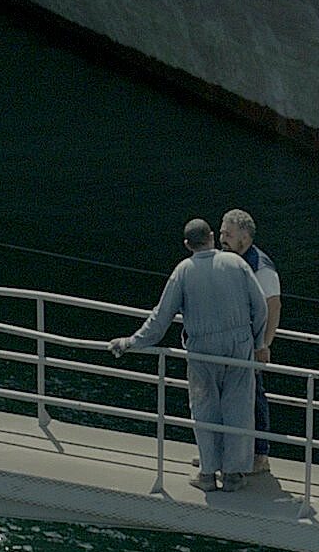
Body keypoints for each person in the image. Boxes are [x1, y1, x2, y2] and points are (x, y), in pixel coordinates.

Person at [108, 218, 268, 492]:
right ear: (211, 237)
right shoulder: (236, 263)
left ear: (187, 244)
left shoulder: (182, 271)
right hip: (239, 346)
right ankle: (233, 474)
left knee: (205, 409)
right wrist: (256, 342)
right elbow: (260, 307)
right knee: (238, 408)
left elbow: (160, 319)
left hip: (202, 349)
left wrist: (130, 342)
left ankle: (208, 474)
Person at [217, 209, 280, 473]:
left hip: (249, 345)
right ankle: (220, 451)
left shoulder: (261, 268)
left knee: (254, 397)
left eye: (228, 234)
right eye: (221, 233)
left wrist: (264, 344)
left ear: (245, 238)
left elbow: (273, 307)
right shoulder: (225, 259)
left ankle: (260, 455)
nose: (222, 239)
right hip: (226, 342)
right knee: (223, 396)